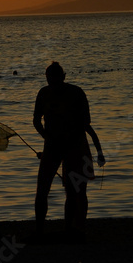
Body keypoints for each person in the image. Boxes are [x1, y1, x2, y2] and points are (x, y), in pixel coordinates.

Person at [33, 61, 105, 241]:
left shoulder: (76, 93)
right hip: (52, 146)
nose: (53, 84)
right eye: (50, 80)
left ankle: (73, 229)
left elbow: (86, 125)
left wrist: (98, 151)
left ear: (63, 77)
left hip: (76, 146)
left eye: (56, 80)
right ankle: (39, 231)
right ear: (47, 78)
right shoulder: (43, 93)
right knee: (42, 188)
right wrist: (46, 137)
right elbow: (36, 120)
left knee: (76, 191)